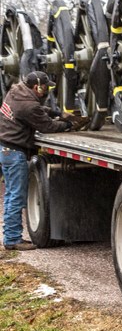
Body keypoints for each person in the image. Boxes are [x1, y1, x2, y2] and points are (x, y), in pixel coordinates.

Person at [1, 71, 85, 250]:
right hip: (15, 153)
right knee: (16, 197)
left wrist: (57, 112)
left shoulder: (15, 91)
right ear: (37, 87)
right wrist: (68, 124)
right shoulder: (29, 106)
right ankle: (12, 239)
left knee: (10, 195)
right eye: (45, 87)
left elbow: (36, 109)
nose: (47, 91)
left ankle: (10, 237)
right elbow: (47, 126)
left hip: (6, 149)